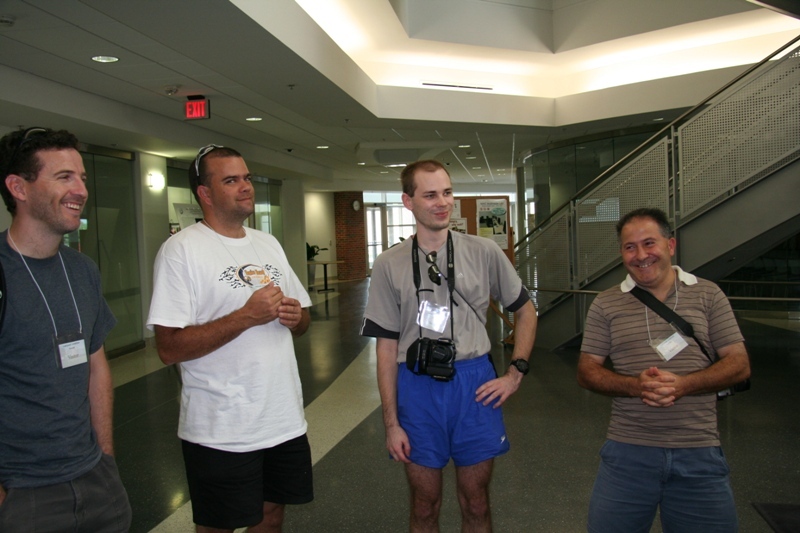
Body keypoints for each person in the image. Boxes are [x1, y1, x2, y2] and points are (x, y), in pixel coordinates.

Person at [360, 159, 537, 532]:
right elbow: (386, 348)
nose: (442, 203)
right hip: (417, 384)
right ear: (408, 202)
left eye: (447, 192)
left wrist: (514, 372)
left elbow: (525, 310)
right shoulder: (389, 264)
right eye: (430, 195)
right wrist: (391, 424)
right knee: (424, 506)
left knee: (476, 501)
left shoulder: (483, 251)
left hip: (474, 383)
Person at [147, 144, 313, 533]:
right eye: (231, 180)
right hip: (220, 427)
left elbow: (304, 319)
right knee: (219, 525)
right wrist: (244, 317)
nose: (246, 187)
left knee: (271, 515)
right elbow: (168, 348)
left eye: (247, 178)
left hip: (282, 418)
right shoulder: (181, 251)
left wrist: (294, 317)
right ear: (204, 193)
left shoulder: (267, 243)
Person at [577, 207, 751, 533]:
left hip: (699, 452)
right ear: (622, 253)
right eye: (630, 247)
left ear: (670, 246)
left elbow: (739, 363)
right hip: (627, 454)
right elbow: (587, 371)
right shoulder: (606, 303)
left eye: (649, 243)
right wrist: (636, 387)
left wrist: (684, 385)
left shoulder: (708, 294)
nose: (641, 255)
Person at [0, 127, 131, 531]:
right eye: (64, 177)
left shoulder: (83, 270)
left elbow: (96, 366)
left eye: (82, 177)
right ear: (18, 188)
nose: (81, 189)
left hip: (94, 477)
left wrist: (105, 457)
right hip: (22, 492)